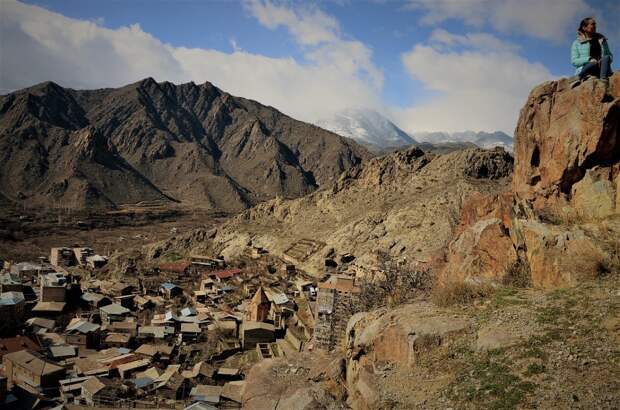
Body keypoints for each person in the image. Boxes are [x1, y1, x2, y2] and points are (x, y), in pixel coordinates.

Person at [570, 17, 613, 88]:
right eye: (593, 24)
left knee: (606, 57)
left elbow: (609, 54)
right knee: (593, 63)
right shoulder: (577, 43)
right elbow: (574, 61)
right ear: (584, 28)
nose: (595, 26)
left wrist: (605, 60)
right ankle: (579, 77)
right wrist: (589, 59)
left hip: (602, 68)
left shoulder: (602, 40)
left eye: (595, 24)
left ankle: (603, 81)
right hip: (588, 68)